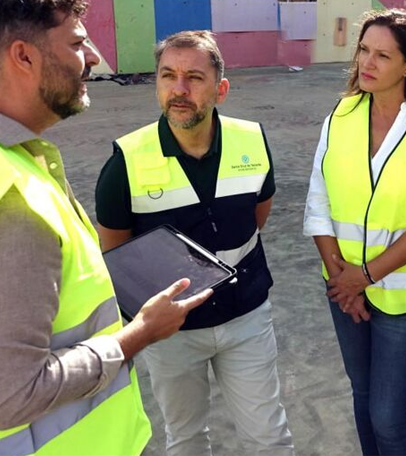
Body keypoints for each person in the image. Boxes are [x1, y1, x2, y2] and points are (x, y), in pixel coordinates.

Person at [0, 0, 209, 456]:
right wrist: (139, 334)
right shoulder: (12, 208)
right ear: (23, 56)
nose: (94, 58)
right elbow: (11, 396)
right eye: (77, 43)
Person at [95, 30, 294, 456]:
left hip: (247, 318)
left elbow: (258, 214)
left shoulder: (251, 141)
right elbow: (115, 253)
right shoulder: (125, 162)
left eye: (194, 78)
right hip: (172, 334)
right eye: (168, 76)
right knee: (185, 439)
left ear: (220, 89)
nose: (179, 89)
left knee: (269, 437)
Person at [303, 9, 406, 456]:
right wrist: (343, 278)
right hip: (343, 288)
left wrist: (364, 276)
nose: (367, 64)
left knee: (389, 417)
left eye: (383, 55)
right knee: (362, 398)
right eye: (363, 51)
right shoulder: (341, 115)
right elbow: (319, 200)